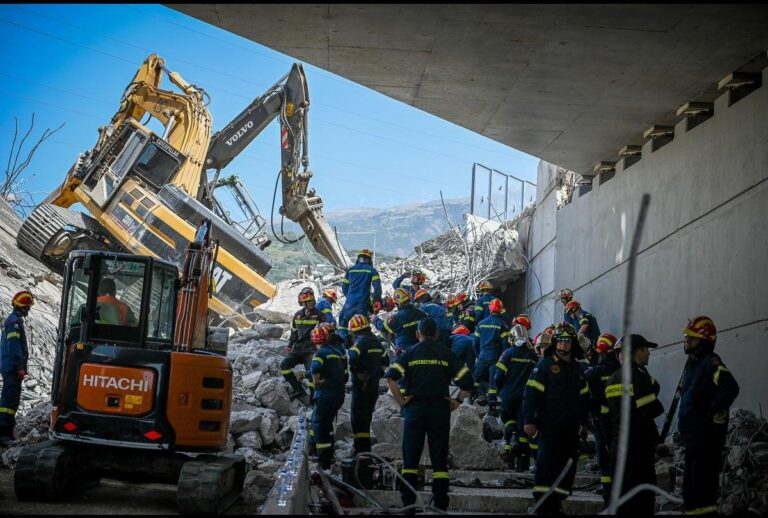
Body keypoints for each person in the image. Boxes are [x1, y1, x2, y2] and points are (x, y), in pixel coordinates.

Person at [384, 318, 474, 512]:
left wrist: (401, 401)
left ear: (418, 334)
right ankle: (440, 504)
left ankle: (408, 505)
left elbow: (391, 376)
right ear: (436, 334)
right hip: (439, 411)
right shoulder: (447, 354)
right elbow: (468, 381)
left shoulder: (409, 353)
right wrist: (457, 401)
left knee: (410, 460)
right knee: (439, 461)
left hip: (414, 411)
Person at [523, 322, 590, 515]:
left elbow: (584, 399)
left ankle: (556, 504)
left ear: (573, 344)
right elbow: (531, 394)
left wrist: (585, 424)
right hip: (549, 427)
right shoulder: (544, 365)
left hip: (571, 429)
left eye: (567, 341)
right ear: (555, 343)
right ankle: (543, 507)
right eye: (560, 341)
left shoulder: (577, 370)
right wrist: (529, 420)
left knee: (567, 470)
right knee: (546, 467)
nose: (563, 345)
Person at [678, 316, 739, 515]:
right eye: (686, 337)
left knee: (702, 491)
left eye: (692, 338)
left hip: (705, 439)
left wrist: (710, 413)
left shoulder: (711, 363)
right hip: (693, 438)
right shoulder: (692, 364)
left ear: (705, 341)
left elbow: (730, 388)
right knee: (690, 491)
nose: (687, 340)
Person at [604, 334, 664, 515]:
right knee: (641, 497)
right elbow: (652, 409)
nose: (649, 354)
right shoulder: (638, 376)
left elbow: (605, 415)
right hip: (637, 447)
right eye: (646, 350)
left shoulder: (612, 378)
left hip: (617, 445)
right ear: (637, 352)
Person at [489, 323, 538, 471]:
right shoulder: (533, 356)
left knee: (508, 419)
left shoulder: (508, 353)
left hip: (508, 395)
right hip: (526, 397)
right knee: (524, 429)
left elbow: (498, 376)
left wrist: (498, 390)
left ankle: (510, 450)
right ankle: (522, 464)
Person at [583, 333, 620, 503]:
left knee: (603, 457)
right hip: (620, 422)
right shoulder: (622, 371)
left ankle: (607, 489)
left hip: (599, 421)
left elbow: (584, 397)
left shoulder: (592, 373)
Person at [373, 288, 427, 397]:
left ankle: (403, 399)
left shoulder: (397, 317)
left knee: (402, 374)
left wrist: (374, 319)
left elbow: (383, 326)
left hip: (404, 351)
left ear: (397, 301)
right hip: (421, 349)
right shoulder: (421, 313)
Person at [347, 314, 389, 455]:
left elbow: (352, 358)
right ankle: (365, 449)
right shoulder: (376, 342)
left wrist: (358, 372)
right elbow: (386, 361)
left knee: (357, 418)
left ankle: (361, 449)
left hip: (361, 386)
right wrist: (378, 374)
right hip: (373, 385)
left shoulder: (359, 342)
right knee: (367, 416)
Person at [309, 325, 348, 470]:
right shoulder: (337, 351)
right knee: (327, 424)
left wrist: (316, 382)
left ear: (314, 341)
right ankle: (329, 455)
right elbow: (344, 375)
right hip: (338, 394)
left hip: (325, 396)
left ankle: (323, 463)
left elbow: (315, 370)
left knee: (320, 427)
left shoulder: (319, 354)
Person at [0, 291, 34, 446]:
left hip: (11, 367)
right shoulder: (13, 322)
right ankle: (3, 434)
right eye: (28, 307)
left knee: (11, 402)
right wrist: (19, 367)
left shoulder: (14, 320)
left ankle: (7, 432)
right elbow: (14, 347)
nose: (29, 310)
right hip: (12, 368)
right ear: (23, 307)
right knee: (8, 402)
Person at [281, 287, 325, 402]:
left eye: (312, 300)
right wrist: (290, 345)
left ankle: (313, 398)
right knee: (284, 366)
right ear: (303, 303)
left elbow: (326, 333)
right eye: (308, 301)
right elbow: (294, 332)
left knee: (312, 374)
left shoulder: (320, 315)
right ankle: (298, 389)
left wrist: (321, 350)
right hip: (298, 348)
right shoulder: (298, 315)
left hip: (312, 350)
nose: (311, 303)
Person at [339, 250, 382, 344]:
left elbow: (344, 287)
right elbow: (377, 287)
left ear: (358, 258)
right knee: (363, 326)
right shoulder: (372, 270)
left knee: (343, 323)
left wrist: (350, 296)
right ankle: (363, 346)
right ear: (369, 259)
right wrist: (377, 300)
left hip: (349, 303)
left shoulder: (350, 270)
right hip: (363, 303)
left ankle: (344, 346)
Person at [472, 298, 509, 404]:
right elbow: (505, 344)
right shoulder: (502, 324)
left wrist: (478, 355)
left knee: (476, 377)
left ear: (490, 309)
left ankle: (473, 396)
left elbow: (475, 343)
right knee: (493, 381)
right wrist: (504, 358)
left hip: (482, 355)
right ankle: (492, 404)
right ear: (500, 309)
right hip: (495, 357)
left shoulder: (481, 324)